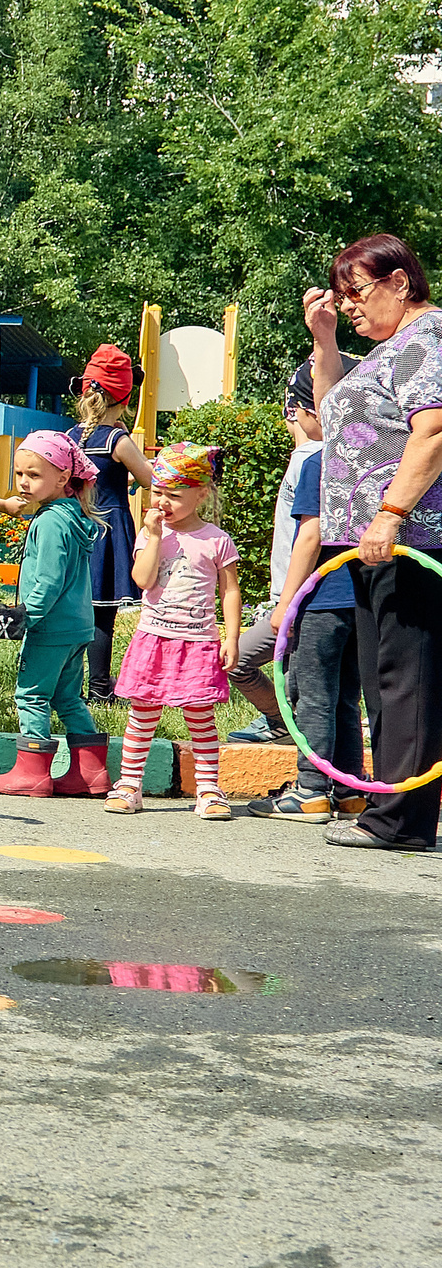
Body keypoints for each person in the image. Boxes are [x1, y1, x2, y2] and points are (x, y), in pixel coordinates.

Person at [306, 233, 442, 854]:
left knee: (405, 675)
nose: (351, 305)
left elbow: (434, 432)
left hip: (407, 536)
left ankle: (401, 821)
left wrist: (390, 514)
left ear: (400, 282)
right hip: (366, 542)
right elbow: (330, 412)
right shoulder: (388, 353)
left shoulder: (428, 338)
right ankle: (392, 808)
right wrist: (325, 340)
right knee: (383, 674)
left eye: (356, 292)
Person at [105, 444, 240, 817]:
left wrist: (230, 637)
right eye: (157, 492)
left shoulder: (216, 540)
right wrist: (151, 536)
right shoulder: (152, 534)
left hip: (198, 642)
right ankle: (130, 784)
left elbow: (230, 590)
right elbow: (142, 580)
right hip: (154, 637)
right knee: (142, 714)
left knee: (201, 717)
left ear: (200, 494)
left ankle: (209, 790)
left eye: (174, 496)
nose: (162, 502)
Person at [247, 426, 369, 823]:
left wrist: (286, 602)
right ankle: (351, 791)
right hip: (364, 598)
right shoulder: (378, 458)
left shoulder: (322, 460)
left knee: (313, 696)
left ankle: (311, 791)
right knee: (346, 697)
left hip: (322, 597)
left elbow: (310, 534)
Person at [0, 433, 108, 797]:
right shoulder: (71, 515)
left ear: (62, 478)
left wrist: (25, 615)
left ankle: (33, 773)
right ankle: (91, 773)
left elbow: (50, 580)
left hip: (50, 628)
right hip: (77, 627)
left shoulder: (51, 522)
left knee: (32, 695)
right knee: (68, 697)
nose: (24, 481)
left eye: (34, 474)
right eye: (20, 473)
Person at [221, 363, 329, 744]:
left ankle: (285, 725)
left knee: (242, 663)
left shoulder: (310, 459)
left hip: (298, 598)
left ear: (295, 410)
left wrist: (286, 601)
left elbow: (308, 536)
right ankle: (286, 723)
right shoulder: (322, 457)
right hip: (298, 596)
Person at [64, 343, 161, 701]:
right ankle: (101, 689)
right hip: (109, 528)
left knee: (77, 612)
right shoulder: (117, 440)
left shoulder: (72, 437)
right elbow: (151, 479)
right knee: (102, 615)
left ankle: (69, 686)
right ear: (124, 400)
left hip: (77, 528)